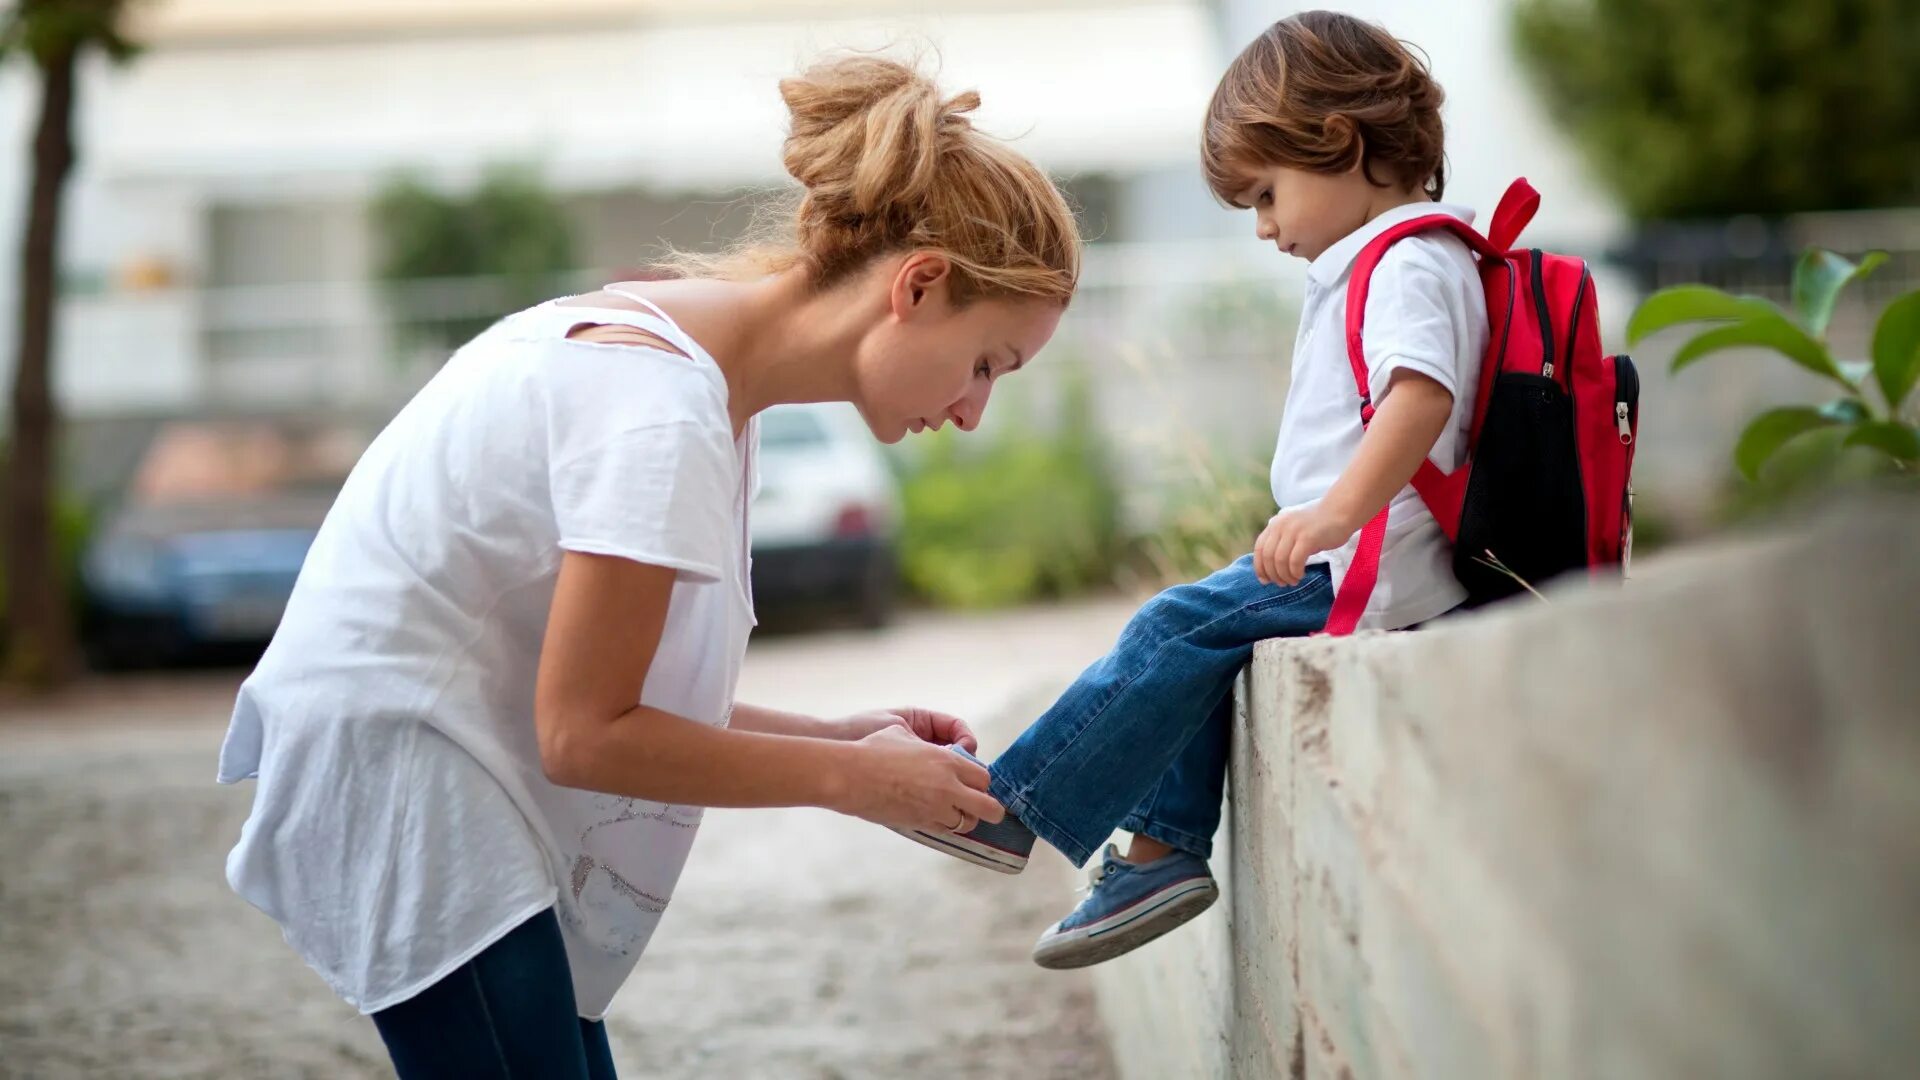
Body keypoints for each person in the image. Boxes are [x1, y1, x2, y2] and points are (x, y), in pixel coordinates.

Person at [215, 54, 1080, 1078]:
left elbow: (604, 693)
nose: (976, 410)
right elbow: (585, 733)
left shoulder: (694, 381)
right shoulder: (657, 404)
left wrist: (842, 733)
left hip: (456, 775)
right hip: (413, 796)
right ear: (920, 282)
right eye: (987, 362)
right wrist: (852, 778)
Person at [894, 10, 1488, 970]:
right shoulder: (1405, 257)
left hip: (1364, 566)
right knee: (1202, 648)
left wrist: (1337, 511)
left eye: (1266, 193)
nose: (1263, 227)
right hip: (1354, 557)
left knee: (1173, 625)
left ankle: (1009, 809)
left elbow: (1420, 398)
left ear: (1336, 143)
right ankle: (1160, 853)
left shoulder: (1410, 260)